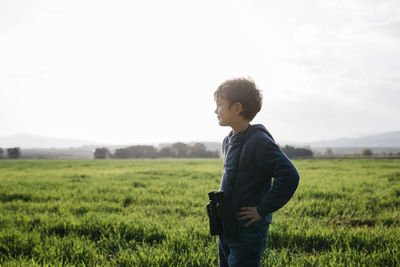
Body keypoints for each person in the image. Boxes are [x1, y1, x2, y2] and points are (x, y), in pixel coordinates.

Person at [213, 77, 300, 267]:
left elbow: (290, 175)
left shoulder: (259, 142)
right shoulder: (228, 141)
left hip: (248, 230)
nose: (215, 111)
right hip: (226, 227)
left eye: (219, 105)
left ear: (237, 108)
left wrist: (262, 209)